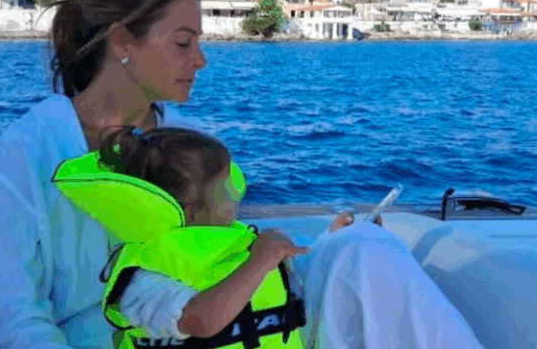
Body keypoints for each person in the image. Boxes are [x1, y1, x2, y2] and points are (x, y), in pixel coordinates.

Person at [0, 0, 207, 349]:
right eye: (183, 43)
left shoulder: (193, 142)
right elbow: (17, 313)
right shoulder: (27, 149)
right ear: (121, 41)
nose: (200, 60)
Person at [51, 126, 356, 349]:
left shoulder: (230, 241)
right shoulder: (144, 277)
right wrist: (261, 261)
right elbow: (198, 321)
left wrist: (329, 242)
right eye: (227, 186)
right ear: (190, 208)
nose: (238, 193)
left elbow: (275, 288)